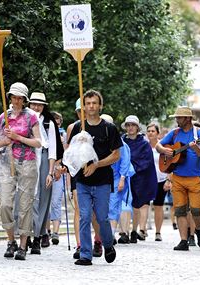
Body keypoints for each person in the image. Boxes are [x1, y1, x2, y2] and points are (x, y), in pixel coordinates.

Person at [67, 90, 121, 266]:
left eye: (94, 103)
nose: (91, 106)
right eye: (88, 103)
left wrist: (96, 164)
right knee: (84, 216)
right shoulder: (78, 127)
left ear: (100, 106)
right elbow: (70, 152)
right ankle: (85, 254)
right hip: (82, 181)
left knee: (102, 217)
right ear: (84, 106)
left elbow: (115, 155)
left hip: (103, 181)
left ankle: (108, 244)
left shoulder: (109, 128)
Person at [0, 82, 42, 260]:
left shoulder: (32, 117)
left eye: (20, 98)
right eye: (13, 97)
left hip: (27, 164)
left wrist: (18, 137)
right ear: (10, 98)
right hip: (7, 163)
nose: (16, 101)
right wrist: (5, 140)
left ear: (24, 100)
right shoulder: (3, 117)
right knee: (5, 204)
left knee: (25, 206)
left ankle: (22, 245)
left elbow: (38, 142)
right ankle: (10, 240)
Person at [156, 106, 200, 251]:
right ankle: (183, 240)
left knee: (197, 210)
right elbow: (158, 145)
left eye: (179, 117)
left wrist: (195, 147)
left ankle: (197, 229)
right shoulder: (175, 133)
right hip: (177, 177)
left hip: (195, 178)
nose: (177, 120)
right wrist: (164, 150)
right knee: (179, 210)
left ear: (188, 119)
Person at [66, 98, 103, 259]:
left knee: (94, 211)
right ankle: (80, 244)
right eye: (79, 111)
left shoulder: (98, 126)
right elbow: (67, 152)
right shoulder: (72, 127)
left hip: (94, 170)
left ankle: (98, 240)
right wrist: (66, 168)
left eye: (84, 110)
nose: (83, 113)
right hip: (77, 173)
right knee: (80, 210)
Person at [29, 92, 64, 254]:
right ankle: (28, 233)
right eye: (33, 104)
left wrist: (50, 171)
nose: (36, 107)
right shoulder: (25, 119)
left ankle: (38, 235)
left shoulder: (49, 122)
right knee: (28, 198)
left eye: (39, 104)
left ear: (44, 106)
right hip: (27, 156)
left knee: (43, 198)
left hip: (43, 158)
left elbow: (53, 150)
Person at [122, 115, 157, 243]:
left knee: (137, 205)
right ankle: (123, 231)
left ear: (137, 127)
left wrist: (133, 169)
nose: (130, 128)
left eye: (133, 125)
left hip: (140, 179)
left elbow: (147, 162)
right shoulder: (122, 142)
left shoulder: (144, 144)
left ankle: (134, 230)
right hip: (124, 178)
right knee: (124, 205)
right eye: (128, 125)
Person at [101, 114, 135, 244]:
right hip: (104, 178)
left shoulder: (120, 144)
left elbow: (125, 162)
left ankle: (111, 235)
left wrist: (122, 179)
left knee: (114, 205)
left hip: (117, 178)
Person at [146, 123, 169, 242]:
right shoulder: (144, 146)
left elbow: (171, 164)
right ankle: (142, 229)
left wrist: (169, 180)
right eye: (148, 131)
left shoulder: (163, 146)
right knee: (143, 204)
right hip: (146, 180)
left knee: (158, 206)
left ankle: (158, 232)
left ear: (157, 133)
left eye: (153, 131)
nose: (150, 133)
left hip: (161, 179)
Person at [49, 111, 66, 245]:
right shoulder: (46, 134)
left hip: (59, 171)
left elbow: (67, 154)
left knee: (56, 202)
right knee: (45, 203)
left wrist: (60, 168)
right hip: (47, 170)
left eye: (58, 121)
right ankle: (46, 230)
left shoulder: (64, 135)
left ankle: (55, 232)